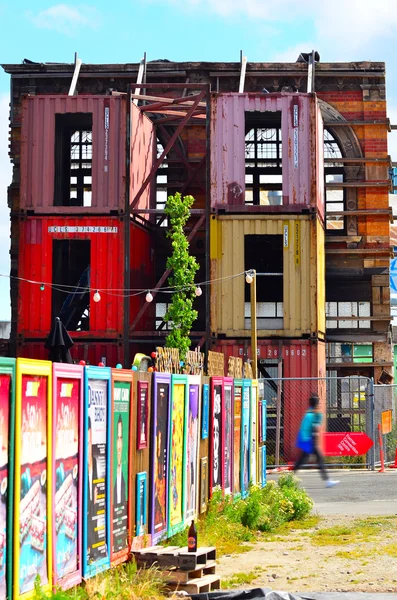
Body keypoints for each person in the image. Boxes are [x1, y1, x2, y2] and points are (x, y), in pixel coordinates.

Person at [294, 393, 339, 488]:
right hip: (309, 441)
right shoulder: (312, 415)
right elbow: (312, 430)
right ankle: (328, 481)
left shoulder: (310, 414)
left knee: (303, 460)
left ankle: (290, 477)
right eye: (319, 403)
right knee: (315, 460)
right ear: (316, 404)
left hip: (308, 441)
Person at [113, 415, 126, 506]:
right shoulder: (110, 472)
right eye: (117, 438)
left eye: (120, 438)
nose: (119, 446)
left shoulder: (125, 472)